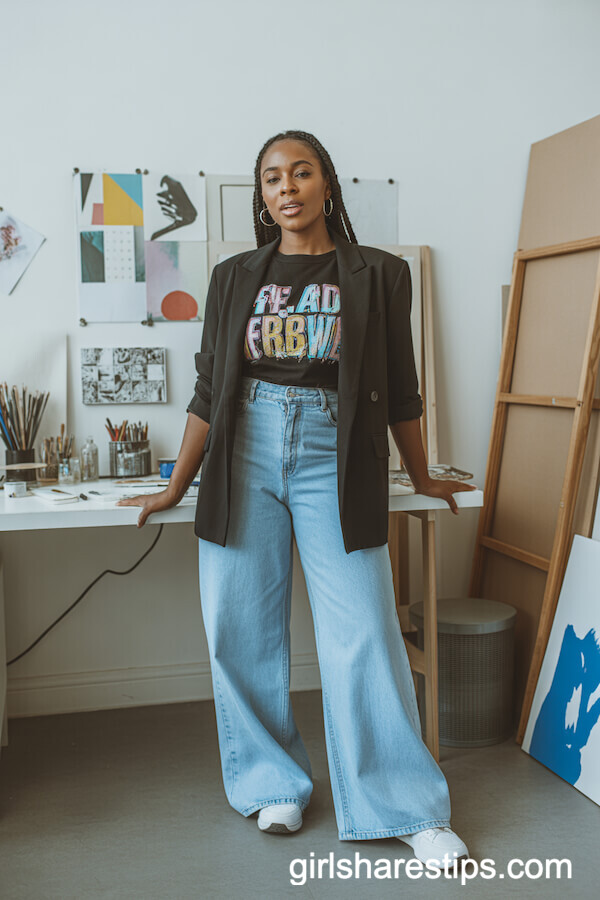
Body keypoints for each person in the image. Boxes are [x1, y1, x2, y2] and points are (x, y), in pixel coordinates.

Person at [118, 130, 477, 870]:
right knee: (238, 624)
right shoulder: (233, 276)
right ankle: (271, 783)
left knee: (365, 632)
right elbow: (211, 390)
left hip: (333, 452)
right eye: (273, 178)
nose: (288, 187)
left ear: (327, 185)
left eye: (302, 172)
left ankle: (407, 807)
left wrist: (422, 474)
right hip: (243, 449)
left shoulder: (377, 274)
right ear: (263, 195)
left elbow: (402, 392)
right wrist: (175, 484)